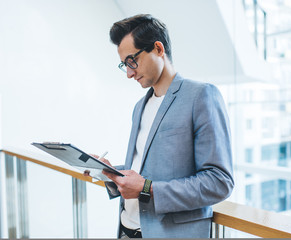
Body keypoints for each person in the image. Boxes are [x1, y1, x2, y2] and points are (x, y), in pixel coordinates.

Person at [94, 14, 234, 238]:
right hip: (126, 229)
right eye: (124, 65)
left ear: (158, 49)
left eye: (132, 61)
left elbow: (219, 182)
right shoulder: (139, 107)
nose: (129, 73)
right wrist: (111, 172)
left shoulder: (200, 96)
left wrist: (147, 189)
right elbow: (145, 171)